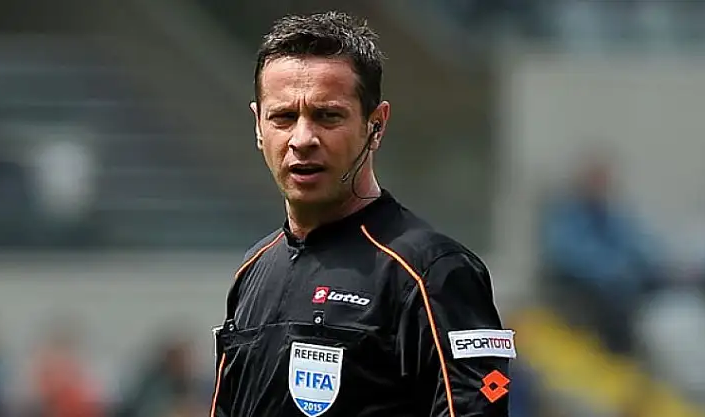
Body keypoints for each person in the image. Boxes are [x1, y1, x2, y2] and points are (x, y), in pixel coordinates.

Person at [210, 11, 514, 417]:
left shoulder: (432, 272)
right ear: (258, 126)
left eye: (327, 116)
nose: (302, 138)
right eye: (283, 117)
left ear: (376, 125)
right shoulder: (252, 271)